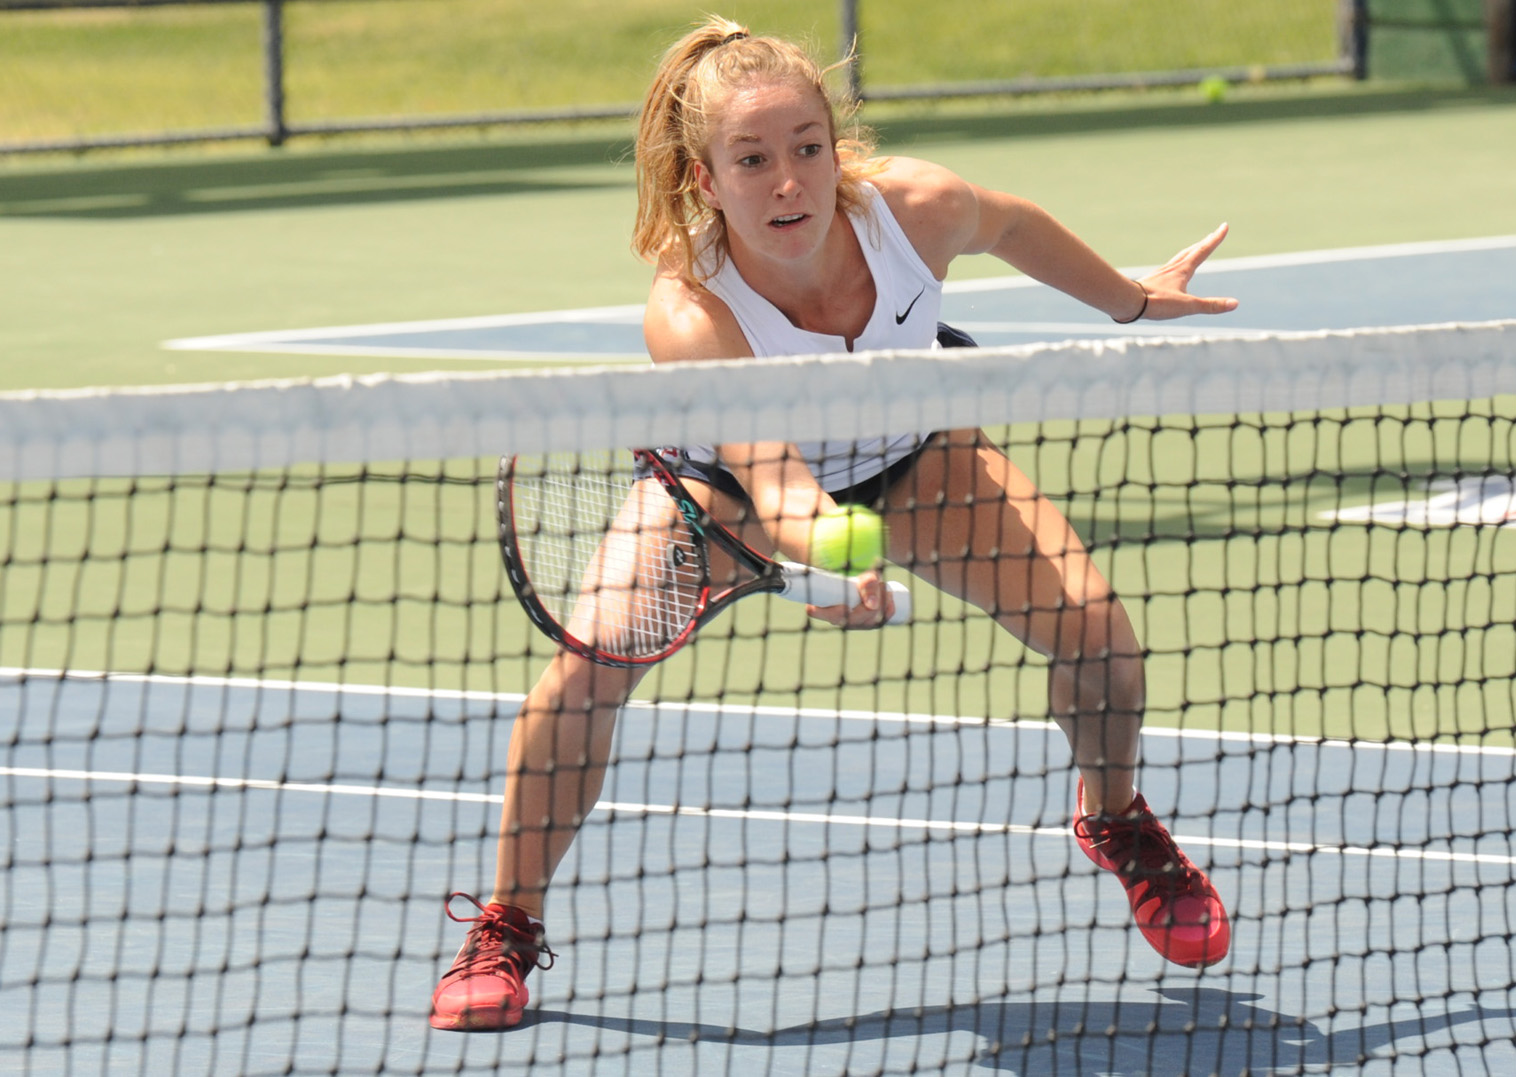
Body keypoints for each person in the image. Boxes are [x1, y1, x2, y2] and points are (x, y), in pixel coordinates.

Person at [429, 16, 1241, 1031]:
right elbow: (778, 484)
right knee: (586, 672)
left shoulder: (915, 208)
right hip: (728, 495)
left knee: (1099, 635)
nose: (788, 183)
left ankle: (1115, 819)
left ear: (836, 148)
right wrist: (823, 560)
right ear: (703, 179)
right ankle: (505, 924)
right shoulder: (691, 310)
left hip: (915, 454)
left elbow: (1013, 226)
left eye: (807, 148)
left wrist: (1129, 298)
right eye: (752, 160)